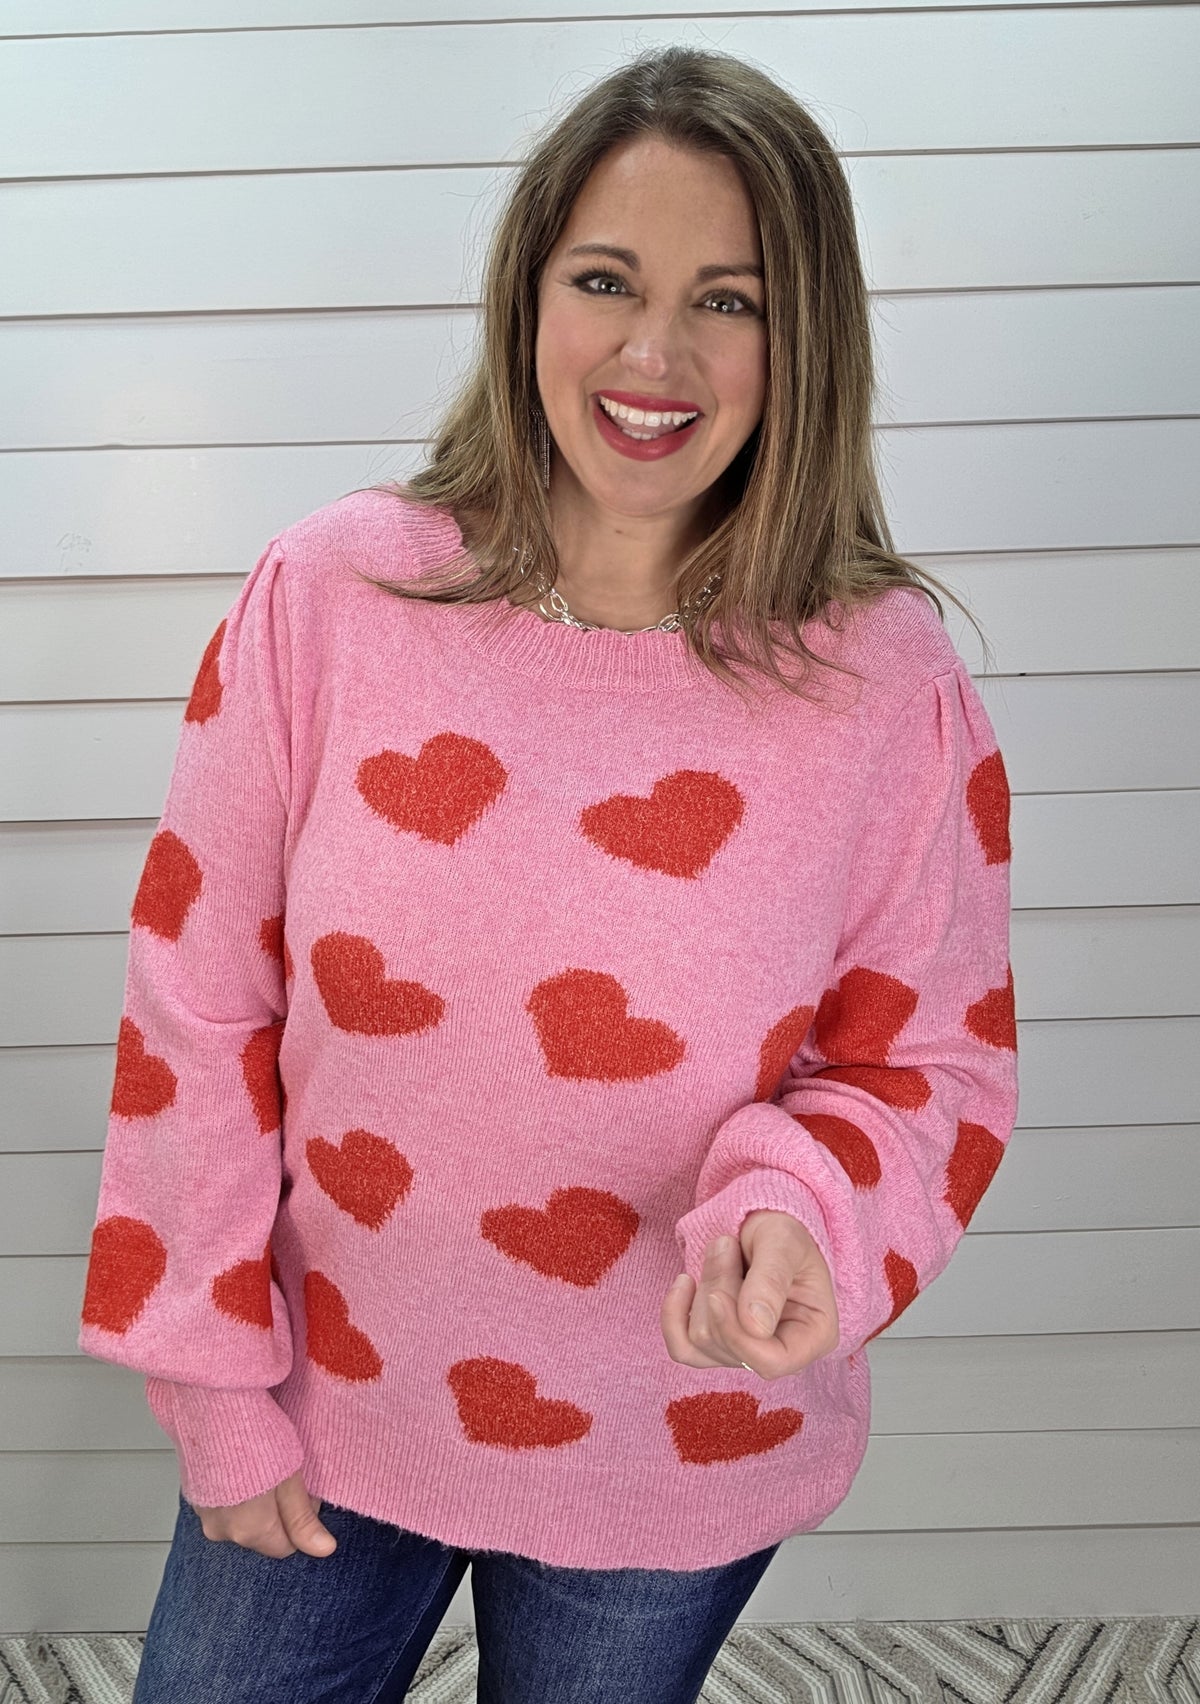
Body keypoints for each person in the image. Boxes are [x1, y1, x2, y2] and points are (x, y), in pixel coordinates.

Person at [77, 43, 1019, 1704]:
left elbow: (930, 1062)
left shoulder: (885, 684)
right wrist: (208, 1378)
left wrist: (803, 1213)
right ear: (529, 295)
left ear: (806, 338)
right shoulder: (331, 598)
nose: (655, 354)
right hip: (328, 1395)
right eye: (606, 280)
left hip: (675, 1441)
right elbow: (197, 1002)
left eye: (730, 301)